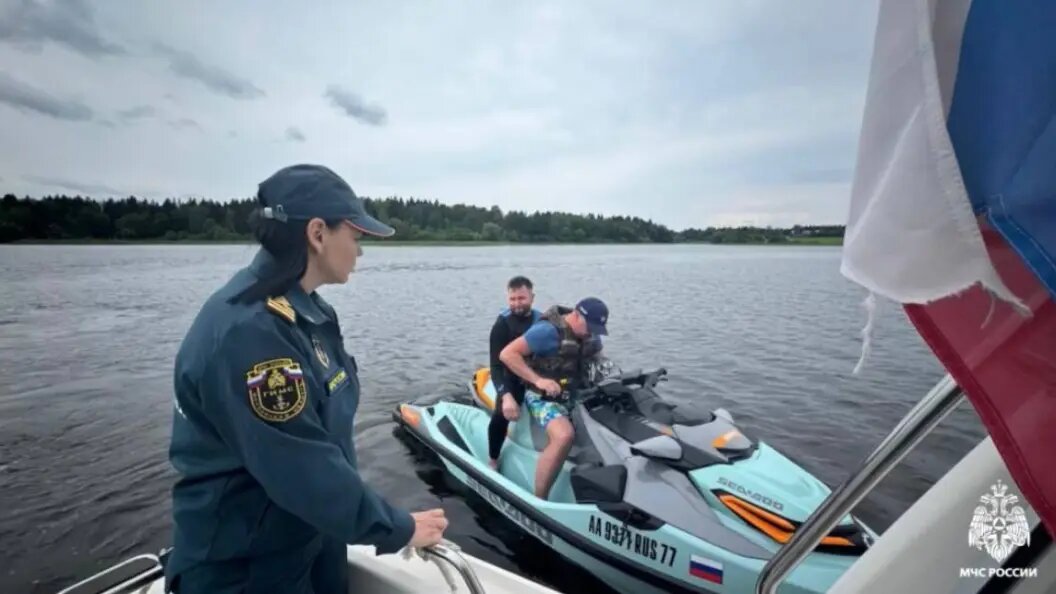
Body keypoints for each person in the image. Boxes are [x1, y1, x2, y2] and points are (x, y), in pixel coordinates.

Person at [163, 164, 448, 594]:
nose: (361, 252)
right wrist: (397, 527)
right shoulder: (249, 334)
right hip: (246, 570)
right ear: (318, 234)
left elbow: (326, 442)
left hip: (308, 542)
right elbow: (302, 471)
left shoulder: (310, 315)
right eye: (355, 237)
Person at [499, 298, 609, 500]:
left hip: (577, 394)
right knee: (563, 435)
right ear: (576, 315)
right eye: (590, 327)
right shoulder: (547, 332)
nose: (592, 333)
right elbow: (507, 354)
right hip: (542, 397)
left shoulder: (591, 336)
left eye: (597, 329)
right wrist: (538, 380)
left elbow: (600, 360)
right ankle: (540, 499)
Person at [486, 275, 542, 470]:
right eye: (512, 299)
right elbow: (495, 366)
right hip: (510, 378)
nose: (517, 304)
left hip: (535, 376)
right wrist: (506, 396)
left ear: (532, 297)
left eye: (522, 298)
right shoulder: (502, 325)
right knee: (500, 416)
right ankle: (493, 458)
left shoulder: (541, 321)